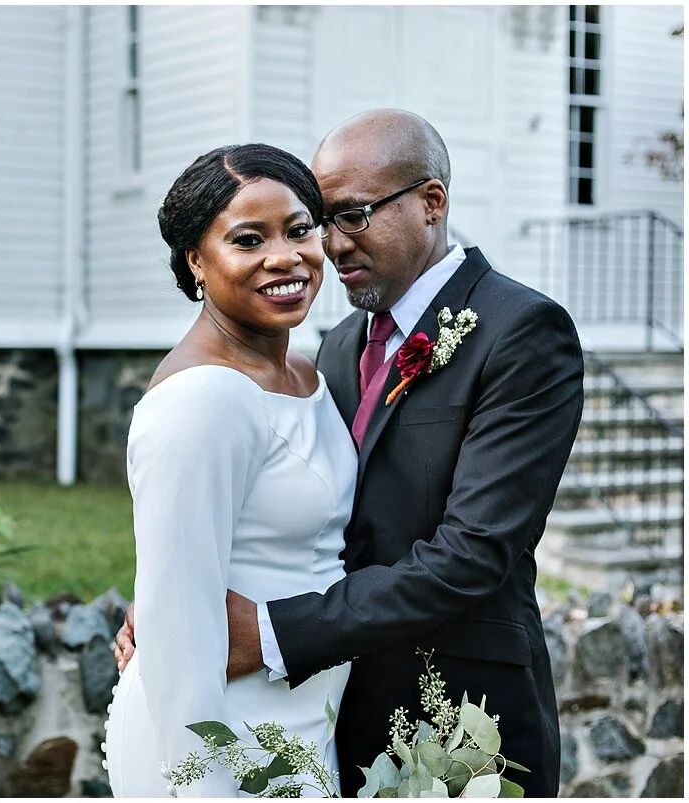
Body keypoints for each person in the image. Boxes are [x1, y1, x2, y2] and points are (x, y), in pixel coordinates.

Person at [115, 109, 584, 797]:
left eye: (351, 215)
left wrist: (269, 630)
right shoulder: (336, 347)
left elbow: (475, 549)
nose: (330, 245)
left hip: (460, 720)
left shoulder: (521, 333)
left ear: (432, 202)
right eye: (322, 219)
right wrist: (171, 599)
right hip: (326, 717)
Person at [102, 143, 357, 798]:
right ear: (196, 259)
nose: (286, 255)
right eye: (249, 239)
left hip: (298, 718)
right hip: (222, 737)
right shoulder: (201, 399)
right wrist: (204, 784)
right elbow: (180, 643)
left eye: (300, 229)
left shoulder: (307, 372)